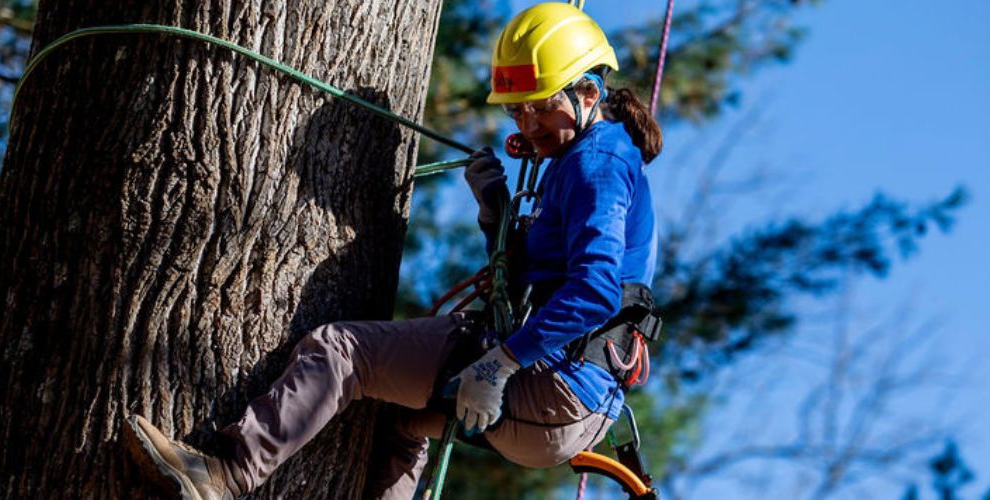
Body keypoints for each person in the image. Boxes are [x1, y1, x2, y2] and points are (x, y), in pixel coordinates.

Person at [124, 3, 662, 498]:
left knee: (341, 351)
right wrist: (496, 212)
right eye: (517, 112)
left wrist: (499, 364)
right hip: (565, 400)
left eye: (538, 109)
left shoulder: (597, 164)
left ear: (588, 93)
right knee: (399, 424)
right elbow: (536, 277)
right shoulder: (581, 160)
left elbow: (593, 293)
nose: (526, 126)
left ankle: (223, 474)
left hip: (550, 385)